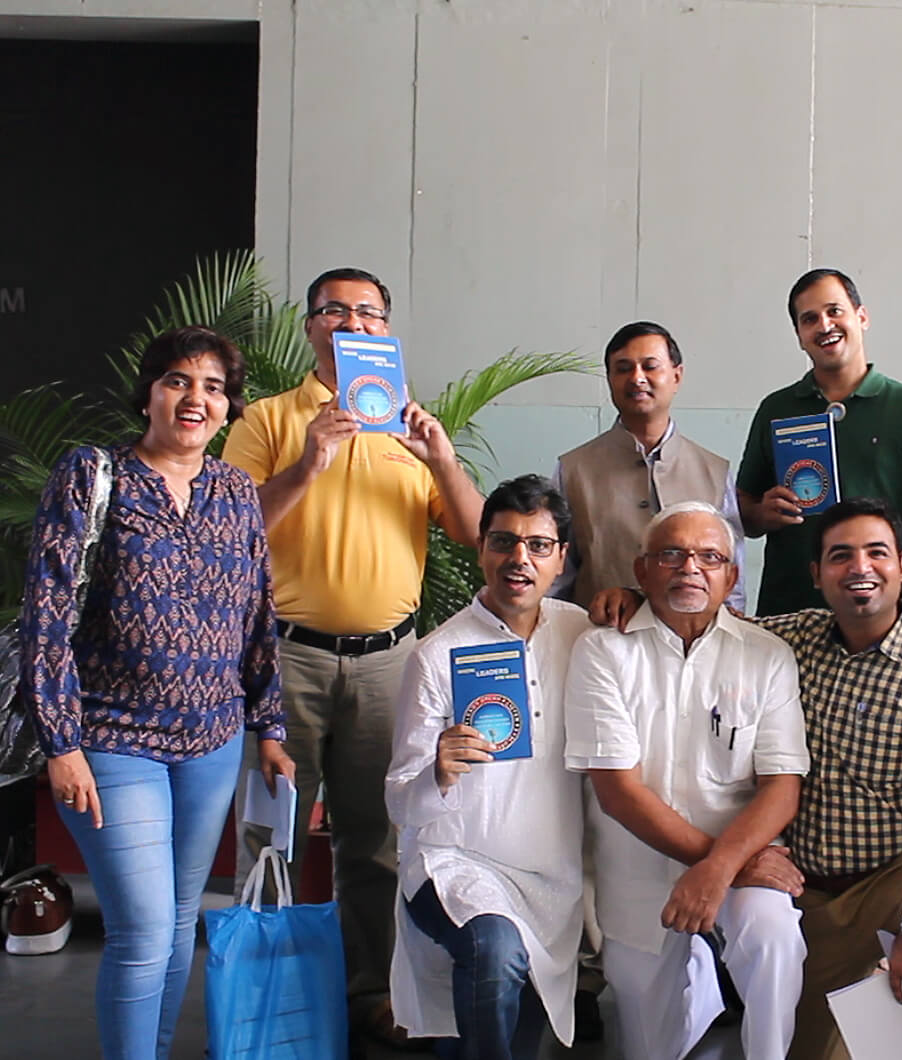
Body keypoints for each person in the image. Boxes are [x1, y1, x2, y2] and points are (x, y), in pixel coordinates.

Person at [592, 497, 902, 1059]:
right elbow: (705, 615)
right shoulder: (785, 642)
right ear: (817, 575)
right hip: (806, 890)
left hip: (898, 876)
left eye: (877, 553)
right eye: (841, 556)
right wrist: (640, 596)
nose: (860, 568)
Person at [222, 266, 485, 1047]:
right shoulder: (271, 419)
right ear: (312, 329)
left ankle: (372, 992)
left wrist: (438, 455)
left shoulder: (411, 426)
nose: (354, 323)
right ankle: (265, 998)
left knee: (374, 840)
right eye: (336, 311)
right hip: (287, 659)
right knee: (271, 834)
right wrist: (310, 460)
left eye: (369, 312)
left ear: (387, 330)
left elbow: (475, 536)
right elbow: (230, 530)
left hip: (386, 664)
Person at [20, 326, 293, 1060]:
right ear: (149, 393)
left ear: (231, 409)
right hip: (110, 739)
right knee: (141, 929)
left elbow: (258, 613)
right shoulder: (92, 475)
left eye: (213, 387)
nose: (195, 398)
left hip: (212, 741)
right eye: (178, 381)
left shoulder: (236, 491)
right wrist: (62, 742)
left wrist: (269, 726)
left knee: (177, 923)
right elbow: (44, 613)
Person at [565, 502, 810, 1060]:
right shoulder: (602, 649)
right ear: (642, 569)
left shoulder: (767, 656)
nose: (690, 568)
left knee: (773, 938)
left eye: (709, 557)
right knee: (650, 1046)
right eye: (671, 554)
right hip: (638, 876)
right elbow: (618, 793)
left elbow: (782, 785)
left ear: (732, 574)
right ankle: (699, 981)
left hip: (741, 854)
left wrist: (722, 869)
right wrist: (722, 866)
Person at [385, 474, 590, 1058]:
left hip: (550, 876)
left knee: (514, 1034)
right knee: (492, 949)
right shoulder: (437, 655)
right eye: (502, 542)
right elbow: (400, 802)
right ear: (481, 550)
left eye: (537, 545)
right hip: (454, 863)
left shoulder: (582, 634)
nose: (518, 559)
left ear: (561, 559)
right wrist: (438, 772)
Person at [736, 268, 902, 618]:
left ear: (861, 317)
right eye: (810, 319)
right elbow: (743, 511)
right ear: (799, 336)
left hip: (881, 617)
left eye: (834, 311)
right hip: (788, 614)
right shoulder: (776, 408)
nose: (824, 325)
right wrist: (762, 514)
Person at [554, 320, 746, 610]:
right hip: (599, 640)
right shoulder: (572, 470)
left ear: (677, 376)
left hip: (696, 645)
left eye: (650, 366)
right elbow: (556, 578)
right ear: (609, 380)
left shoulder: (715, 471)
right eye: (623, 369)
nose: (637, 378)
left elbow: (733, 580)